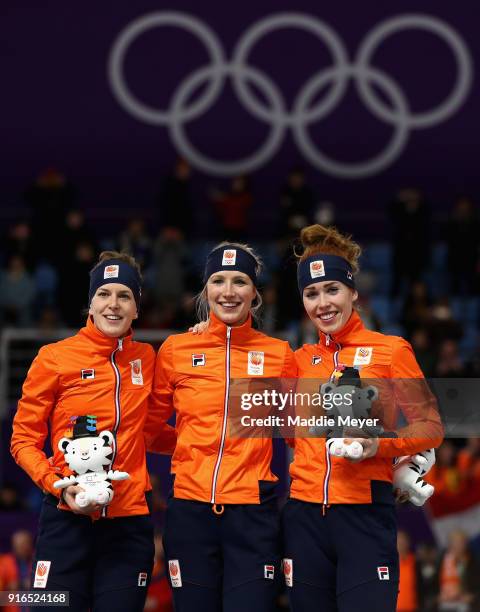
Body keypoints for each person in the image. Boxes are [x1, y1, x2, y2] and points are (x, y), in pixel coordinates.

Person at [282, 224, 444, 612]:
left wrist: (380, 447)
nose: (323, 302)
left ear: (353, 291)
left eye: (332, 289)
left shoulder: (391, 350)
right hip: (304, 517)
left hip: (364, 513)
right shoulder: (296, 360)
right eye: (311, 293)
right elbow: (291, 436)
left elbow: (431, 426)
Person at [10, 251, 176, 612]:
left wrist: (200, 444)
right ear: (90, 303)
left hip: (129, 524)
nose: (113, 304)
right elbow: (22, 439)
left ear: (137, 308)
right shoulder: (54, 357)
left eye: (124, 296)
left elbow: (150, 430)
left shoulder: (148, 358)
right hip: (65, 519)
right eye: (104, 294)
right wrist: (58, 484)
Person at [149, 242, 297, 611]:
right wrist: (191, 446)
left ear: (255, 294)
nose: (228, 292)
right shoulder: (176, 349)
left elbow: (297, 432)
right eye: (218, 281)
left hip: (252, 512)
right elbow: (149, 428)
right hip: (190, 509)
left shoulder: (280, 354)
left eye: (239, 281)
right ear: (206, 291)